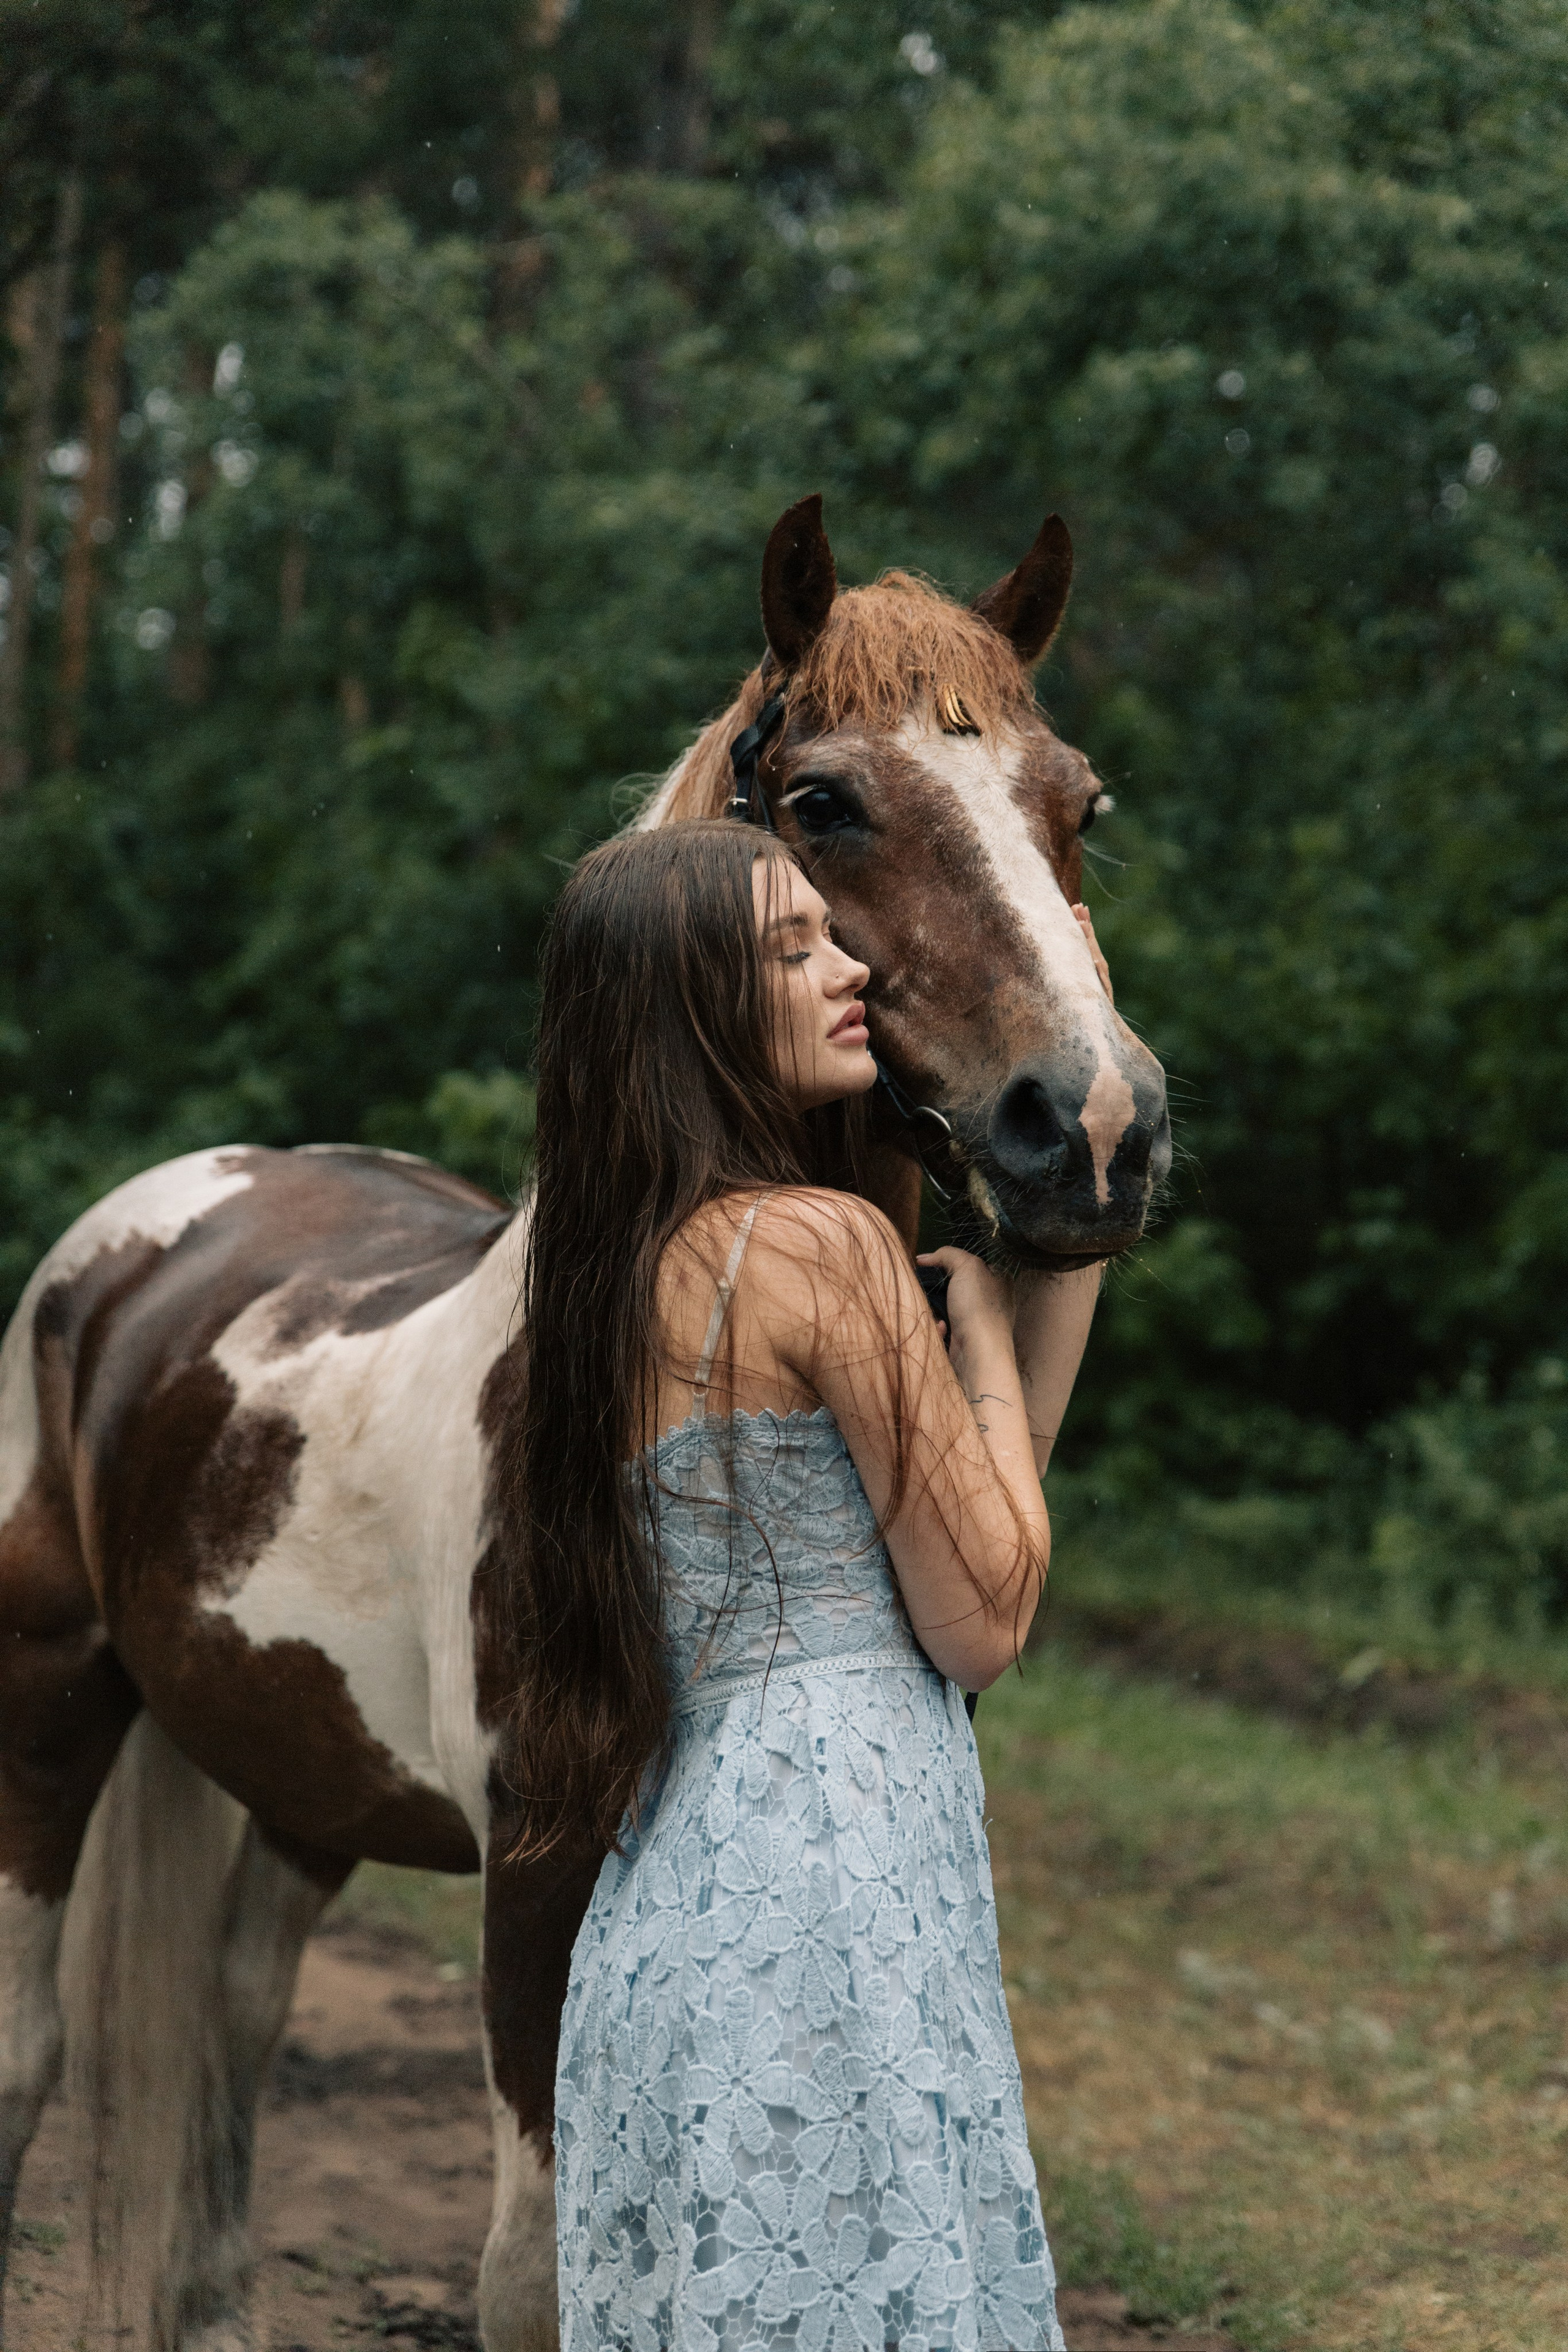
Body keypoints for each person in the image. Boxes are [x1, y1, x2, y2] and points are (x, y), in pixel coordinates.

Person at [505, 820, 1105, 2352]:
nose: (849, 969)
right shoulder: (822, 1245)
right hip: (824, 1880)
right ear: (687, 1009)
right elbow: (983, 1615)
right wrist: (976, 1325)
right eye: (791, 949)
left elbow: (973, 1512)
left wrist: (1069, 1237)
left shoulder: (605, 1281)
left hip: (677, 1897)